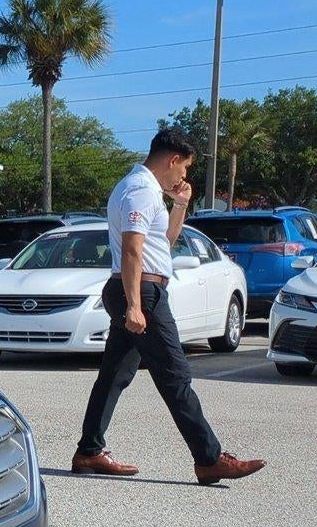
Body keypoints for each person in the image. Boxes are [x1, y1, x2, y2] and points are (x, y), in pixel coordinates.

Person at [72, 128, 265, 484]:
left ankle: (89, 452)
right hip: (142, 291)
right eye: (185, 167)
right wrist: (134, 306)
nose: (184, 176)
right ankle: (209, 459)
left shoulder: (143, 190)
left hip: (139, 287)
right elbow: (132, 249)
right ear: (172, 159)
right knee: (175, 377)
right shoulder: (140, 191)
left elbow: (165, 242)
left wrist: (180, 205)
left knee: (115, 375)